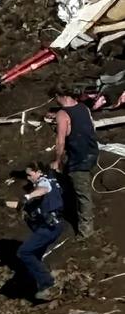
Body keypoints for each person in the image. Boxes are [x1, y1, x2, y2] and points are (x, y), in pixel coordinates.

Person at [50, 86, 99, 239]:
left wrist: (57, 161)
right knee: (82, 186)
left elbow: (60, 142)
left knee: (82, 194)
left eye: (55, 97)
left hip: (79, 158)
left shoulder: (62, 114)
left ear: (60, 95)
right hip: (92, 152)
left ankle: (86, 231)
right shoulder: (84, 108)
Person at [14, 162, 64, 301]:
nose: (28, 178)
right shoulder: (51, 181)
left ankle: (48, 285)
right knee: (35, 254)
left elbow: (43, 189)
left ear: (38, 172)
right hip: (53, 225)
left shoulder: (44, 182)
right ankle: (45, 278)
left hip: (49, 228)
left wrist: (27, 197)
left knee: (25, 252)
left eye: (30, 174)